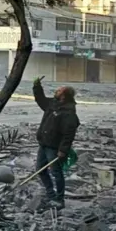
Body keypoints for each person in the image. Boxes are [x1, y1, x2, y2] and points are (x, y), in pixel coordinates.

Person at [33, 76, 80, 206]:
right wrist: (37, 86)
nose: (56, 91)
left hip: (54, 147)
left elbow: (69, 134)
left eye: (59, 90)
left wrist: (63, 150)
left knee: (56, 172)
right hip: (43, 144)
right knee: (41, 170)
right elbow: (40, 100)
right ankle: (50, 195)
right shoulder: (53, 105)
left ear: (64, 96)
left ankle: (59, 199)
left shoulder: (68, 113)